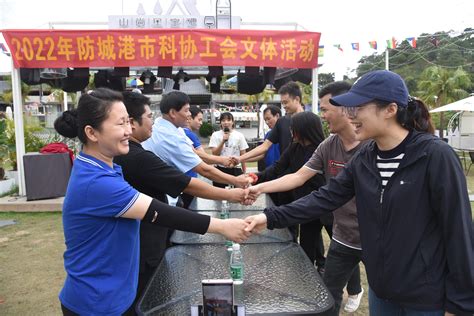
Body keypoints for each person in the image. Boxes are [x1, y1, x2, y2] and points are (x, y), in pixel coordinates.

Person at [245, 70, 474, 315]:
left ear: (390, 109)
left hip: (426, 296)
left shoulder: (435, 156)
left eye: (357, 108)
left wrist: (460, 305)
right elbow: (325, 197)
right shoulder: (365, 158)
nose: (350, 116)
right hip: (381, 291)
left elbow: (458, 232)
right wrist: (270, 217)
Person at [55, 88, 251, 316]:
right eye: (120, 124)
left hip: (115, 294)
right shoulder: (96, 182)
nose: (129, 130)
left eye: (128, 122)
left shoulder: (106, 167)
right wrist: (223, 226)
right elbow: (159, 212)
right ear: (92, 132)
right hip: (96, 303)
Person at [115, 91, 252, 304]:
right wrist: (228, 201)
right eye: (149, 116)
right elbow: (185, 184)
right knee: (150, 297)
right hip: (142, 244)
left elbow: (197, 161)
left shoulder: (141, 147)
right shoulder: (135, 157)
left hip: (145, 233)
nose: (189, 115)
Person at [249, 81, 365, 315]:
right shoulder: (328, 145)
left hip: (370, 233)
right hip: (342, 231)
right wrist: (259, 187)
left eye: (324, 109)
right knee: (328, 294)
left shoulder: (371, 147)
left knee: (387, 293)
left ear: (345, 107)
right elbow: (296, 176)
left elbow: (324, 194)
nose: (322, 115)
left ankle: (356, 289)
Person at [252, 111, 326, 260]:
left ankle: (324, 266)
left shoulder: (323, 149)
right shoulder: (295, 147)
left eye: (294, 128)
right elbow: (277, 168)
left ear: (305, 129)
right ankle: (309, 273)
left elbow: (300, 177)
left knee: (341, 247)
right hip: (305, 204)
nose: (291, 132)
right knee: (307, 244)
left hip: (325, 204)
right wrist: (255, 178)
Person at [142, 91, 251, 189]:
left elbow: (195, 153)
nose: (189, 114)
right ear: (172, 113)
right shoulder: (170, 138)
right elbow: (204, 170)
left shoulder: (169, 126)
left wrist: (222, 160)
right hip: (162, 191)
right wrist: (235, 181)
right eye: (187, 110)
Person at [232, 81, 305, 165]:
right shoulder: (282, 122)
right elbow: (264, 147)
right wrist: (240, 158)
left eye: (286, 102)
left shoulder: (311, 120)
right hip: (284, 172)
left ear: (297, 99)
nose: (284, 106)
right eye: (282, 103)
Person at [209, 112, 249, 188]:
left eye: (228, 120)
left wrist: (244, 171)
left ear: (232, 122)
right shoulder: (215, 135)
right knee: (220, 194)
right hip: (220, 170)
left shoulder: (239, 135)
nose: (226, 122)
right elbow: (214, 154)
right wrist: (223, 141)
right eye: (223, 120)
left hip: (236, 169)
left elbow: (243, 155)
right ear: (220, 122)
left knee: (238, 194)